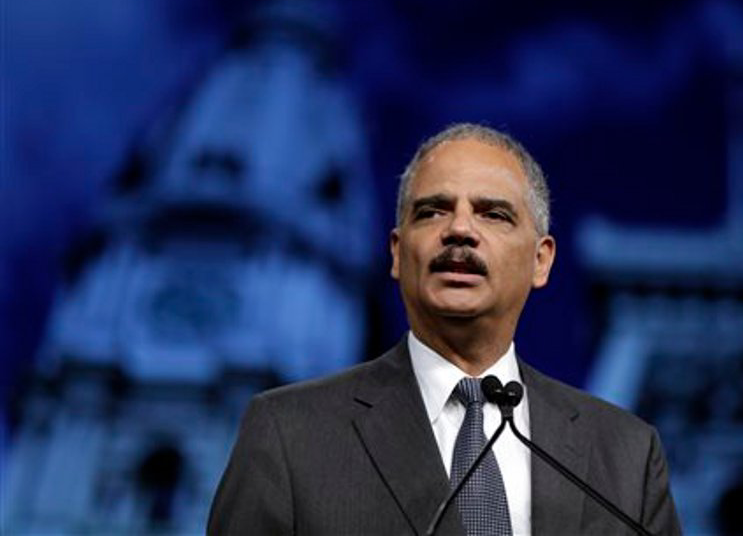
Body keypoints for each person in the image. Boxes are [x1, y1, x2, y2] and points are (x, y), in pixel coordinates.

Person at [208, 123, 682, 535]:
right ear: (396, 253)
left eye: (493, 214)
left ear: (541, 261)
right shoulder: (289, 433)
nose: (459, 229)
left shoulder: (627, 455)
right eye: (432, 211)